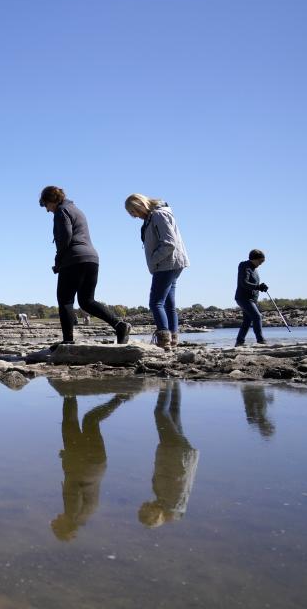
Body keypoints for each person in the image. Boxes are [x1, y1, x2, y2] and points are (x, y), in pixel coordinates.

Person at [39, 185, 131, 347]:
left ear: (51, 200)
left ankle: (68, 342)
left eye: (46, 205)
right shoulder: (77, 210)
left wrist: (58, 260)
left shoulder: (61, 211)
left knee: (65, 300)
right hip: (92, 259)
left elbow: (65, 237)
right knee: (87, 301)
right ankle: (119, 325)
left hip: (74, 259)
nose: (47, 210)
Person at [51, 392, 130, 541]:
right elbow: (74, 487)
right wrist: (68, 458)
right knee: (71, 423)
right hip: (82, 464)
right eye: (56, 523)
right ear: (62, 525)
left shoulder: (83, 517)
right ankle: (69, 392)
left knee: (91, 421)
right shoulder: (72, 513)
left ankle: (119, 399)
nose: (55, 518)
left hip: (97, 464)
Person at [125, 193, 190, 350]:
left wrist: (153, 260)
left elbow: (169, 243)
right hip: (171, 263)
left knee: (155, 302)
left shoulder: (158, 215)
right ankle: (173, 340)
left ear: (140, 205)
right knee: (168, 303)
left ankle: (164, 340)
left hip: (166, 263)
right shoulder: (154, 216)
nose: (135, 216)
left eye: (134, 212)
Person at [139, 382, 199, 528]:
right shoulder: (170, 501)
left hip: (179, 453)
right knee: (160, 413)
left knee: (173, 412)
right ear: (154, 513)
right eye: (145, 508)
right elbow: (176, 475)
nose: (144, 504)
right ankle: (166, 381)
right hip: (175, 452)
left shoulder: (169, 503)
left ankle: (174, 379)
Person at [235, 249, 269, 346]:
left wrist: (261, 287)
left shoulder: (255, 269)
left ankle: (239, 342)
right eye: (260, 261)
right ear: (254, 259)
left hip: (252, 299)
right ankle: (261, 340)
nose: (261, 264)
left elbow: (254, 284)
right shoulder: (244, 266)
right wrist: (258, 287)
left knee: (247, 320)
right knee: (257, 316)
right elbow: (244, 283)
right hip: (243, 298)